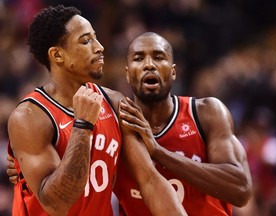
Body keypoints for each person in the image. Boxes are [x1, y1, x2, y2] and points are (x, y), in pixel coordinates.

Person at [6, 6, 186, 216]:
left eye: (96, 38)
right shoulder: (29, 117)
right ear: (57, 55)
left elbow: (150, 180)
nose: (99, 47)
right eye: (86, 41)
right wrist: (82, 126)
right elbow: (57, 204)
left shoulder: (115, 102)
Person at [113, 32, 253, 215]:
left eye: (158, 57)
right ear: (128, 74)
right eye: (138, 58)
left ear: (173, 72)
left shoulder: (206, 113)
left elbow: (241, 189)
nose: (149, 64)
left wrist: (159, 152)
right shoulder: (115, 125)